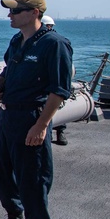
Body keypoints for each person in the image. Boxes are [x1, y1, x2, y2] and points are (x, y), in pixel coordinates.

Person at [0, 0, 73, 219]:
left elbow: (59, 90)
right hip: (9, 116)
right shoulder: (17, 41)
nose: (10, 15)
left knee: (33, 178)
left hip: (31, 117)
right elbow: (8, 69)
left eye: (16, 11)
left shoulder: (54, 45)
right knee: (4, 174)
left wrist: (41, 125)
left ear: (34, 13)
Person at [41, 15, 68, 145]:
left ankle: (60, 132)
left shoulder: (57, 43)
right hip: (44, 89)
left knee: (54, 108)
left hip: (52, 88)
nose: (48, 28)